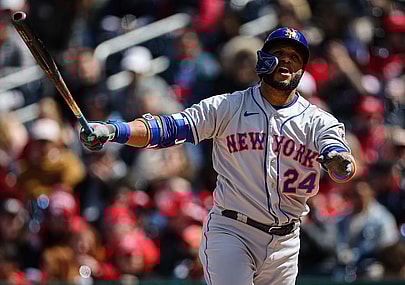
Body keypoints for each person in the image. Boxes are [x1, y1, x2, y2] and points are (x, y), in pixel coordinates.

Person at [80, 27, 357, 285]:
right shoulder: (227, 107)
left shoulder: (318, 121)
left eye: (295, 57)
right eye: (279, 54)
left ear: (302, 69)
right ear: (262, 60)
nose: (286, 61)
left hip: (287, 240)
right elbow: (168, 128)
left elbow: (341, 158)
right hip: (233, 231)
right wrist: (114, 129)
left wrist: (339, 161)